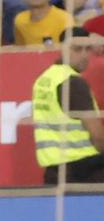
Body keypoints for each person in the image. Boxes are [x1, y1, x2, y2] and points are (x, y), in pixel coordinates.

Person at [32, 29, 104, 185]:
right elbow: (97, 136)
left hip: (54, 172)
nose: (84, 55)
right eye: (77, 49)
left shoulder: (44, 79)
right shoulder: (73, 83)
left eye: (88, 49)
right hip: (84, 171)